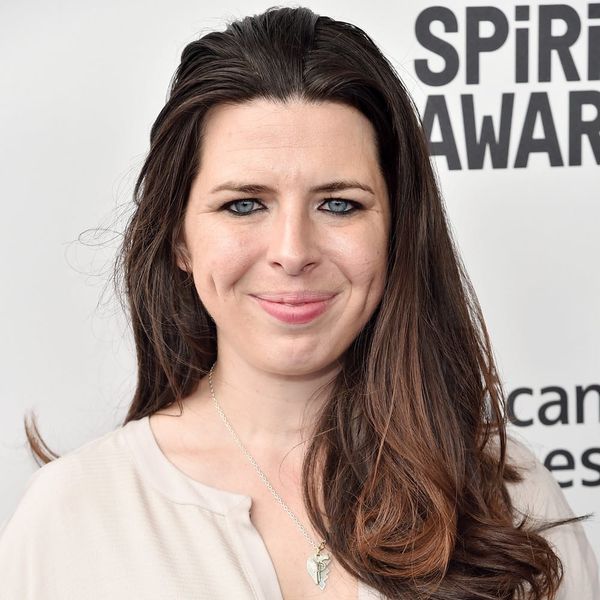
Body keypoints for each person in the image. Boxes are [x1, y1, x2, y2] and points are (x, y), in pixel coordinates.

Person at [0, 6, 598, 600]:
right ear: (180, 238)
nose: (293, 252)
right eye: (243, 204)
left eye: (339, 204)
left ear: (397, 232)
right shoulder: (70, 518)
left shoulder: (509, 497)